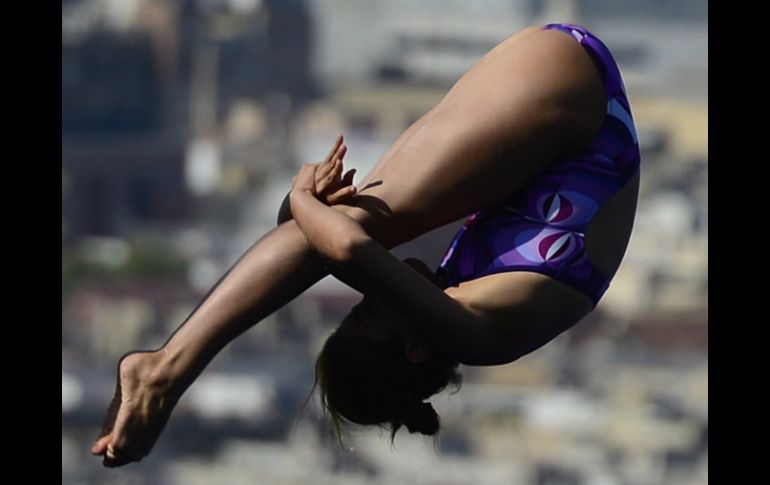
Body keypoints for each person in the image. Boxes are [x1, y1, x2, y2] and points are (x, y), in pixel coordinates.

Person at [92, 22, 640, 466]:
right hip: (569, 99)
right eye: (368, 316)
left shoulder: (450, 304)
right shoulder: (479, 335)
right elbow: (346, 250)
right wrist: (303, 200)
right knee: (351, 229)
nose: (367, 299)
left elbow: (324, 244)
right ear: (415, 348)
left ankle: (164, 368)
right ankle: (165, 371)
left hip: (568, 93)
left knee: (349, 225)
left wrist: (302, 215)